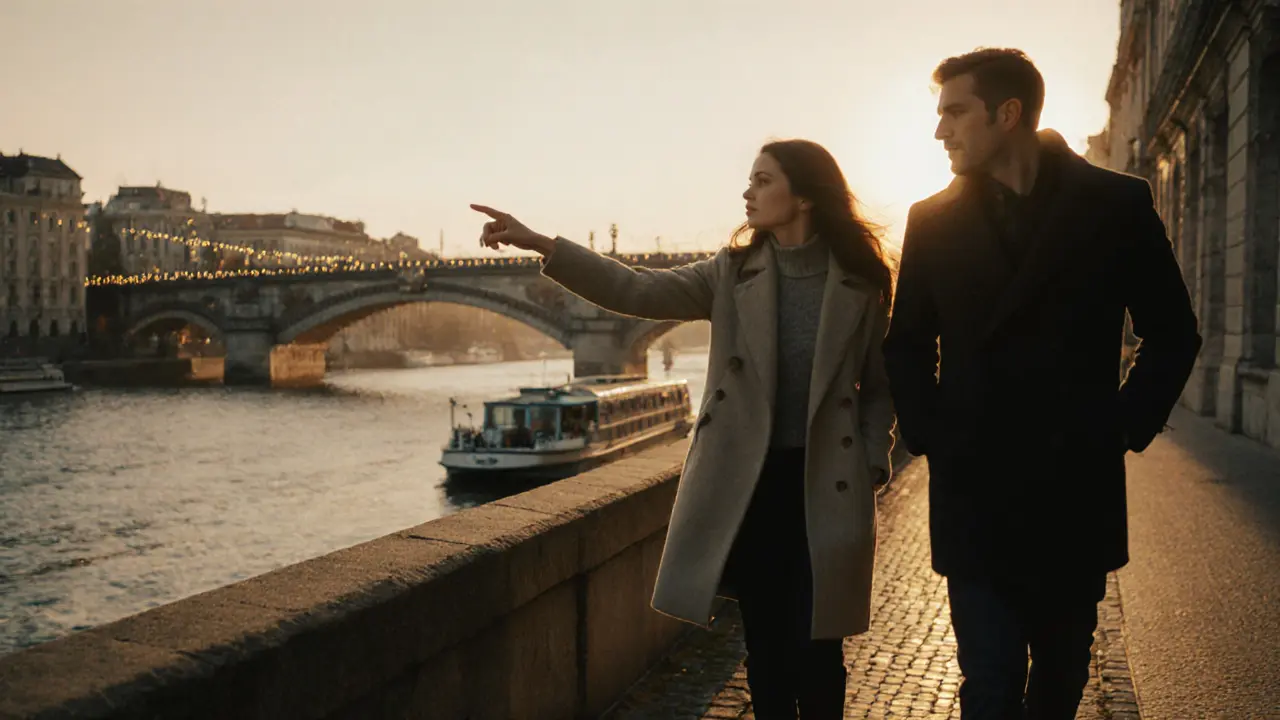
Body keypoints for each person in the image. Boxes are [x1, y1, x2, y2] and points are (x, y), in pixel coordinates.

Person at [472, 139, 896, 719]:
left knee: (822, 650)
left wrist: (871, 459)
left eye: (762, 180)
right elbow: (635, 290)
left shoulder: (861, 282)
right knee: (767, 650)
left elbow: (877, 386)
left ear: (804, 197)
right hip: (750, 486)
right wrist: (543, 243)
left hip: (827, 483)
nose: (747, 192)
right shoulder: (730, 273)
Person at [883, 48, 1202, 720]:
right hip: (976, 492)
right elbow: (906, 345)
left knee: (1059, 683)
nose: (940, 131)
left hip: (1071, 491)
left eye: (954, 112)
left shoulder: (1115, 204)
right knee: (990, 687)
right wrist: (936, 435)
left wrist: (1117, 428)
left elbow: (1173, 332)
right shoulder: (931, 219)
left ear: (1008, 113)